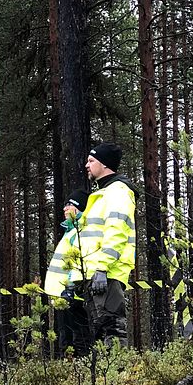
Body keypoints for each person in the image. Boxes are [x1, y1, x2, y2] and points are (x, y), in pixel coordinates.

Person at [79, 142, 138, 347]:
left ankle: (118, 378)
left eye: (91, 160)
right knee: (101, 331)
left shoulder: (117, 192)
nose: (86, 165)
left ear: (104, 165)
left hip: (108, 273)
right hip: (99, 274)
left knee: (111, 328)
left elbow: (117, 231)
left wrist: (102, 267)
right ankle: (107, 377)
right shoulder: (105, 193)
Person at [44, 189, 93, 357]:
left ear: (80, 208)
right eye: (65, 204)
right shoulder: (70, 231)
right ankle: (72, 375)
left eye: (70, 205)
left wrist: (71, 287)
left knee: (79, 338)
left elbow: (80, 260)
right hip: (64, 295)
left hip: (74, 295)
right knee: (66, 340)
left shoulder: (82, 231)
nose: (65, 208)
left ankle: (84, 374)